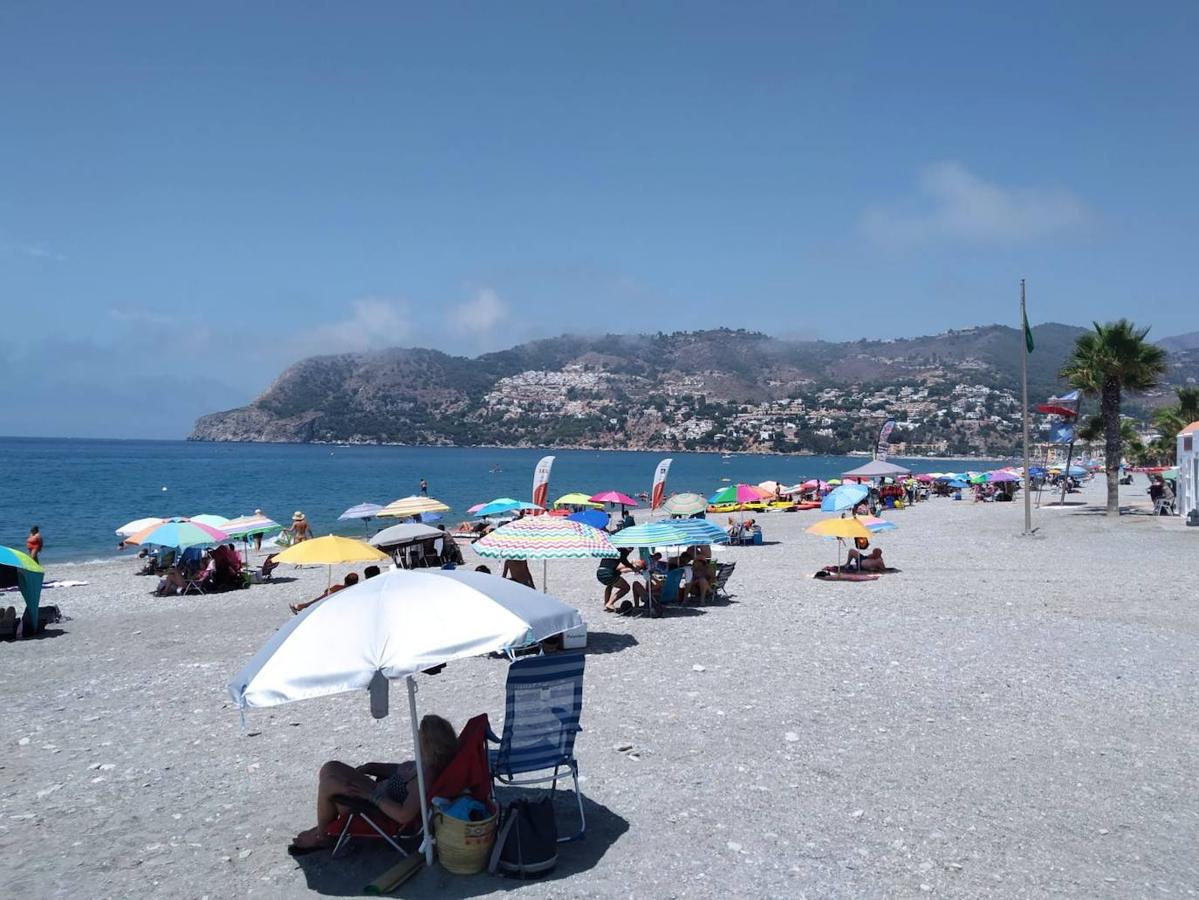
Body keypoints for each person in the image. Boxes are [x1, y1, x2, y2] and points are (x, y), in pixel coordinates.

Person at [287, 714, 459, 855]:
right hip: (379, 791)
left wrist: (370, 796)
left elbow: (404, 816)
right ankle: (325, 826)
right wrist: (372, 767)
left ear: (428, 744)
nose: (416, 736)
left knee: (328, 784)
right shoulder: (428, 762)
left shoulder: (425, 778)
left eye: (419, 734)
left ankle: (323, 835)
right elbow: (400, 770)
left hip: (377, 808)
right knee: (330, 767)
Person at [289, 572, 358, 615]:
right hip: (342, 609)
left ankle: (301, 606)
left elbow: (326, 592)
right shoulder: (355, 591)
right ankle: (301, 606)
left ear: (345, 579)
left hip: (328, 606)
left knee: (320, 599)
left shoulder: (338, 587)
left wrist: (328, 590)